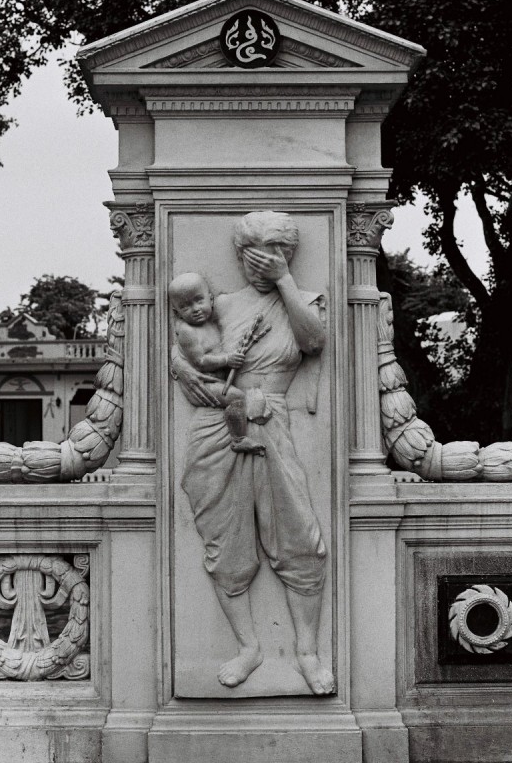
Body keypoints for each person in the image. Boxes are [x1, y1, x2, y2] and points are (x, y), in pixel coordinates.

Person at [172, 211, 333, 695]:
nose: (254, 261)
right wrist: (181, 370)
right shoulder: (220, 305)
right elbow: (185, 342)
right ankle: (248, 647)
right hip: (219, 424)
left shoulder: (304, 303)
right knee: (225, 541)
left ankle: (306, 651)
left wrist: (284, 281)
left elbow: (314, 342)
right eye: (247, 252)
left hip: (272, 423)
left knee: (300, 539)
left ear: (286, 254)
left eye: (268, 252)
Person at [168, 272, 265, 455]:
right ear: (177, 312)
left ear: (210, 299)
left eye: (199, 301)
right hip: (204, 384)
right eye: (185, 306)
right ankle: (238, 439)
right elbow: (200, 362)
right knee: (237, 397)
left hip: (216, 380)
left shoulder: (211, 322)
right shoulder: (187, 331)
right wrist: (227, 360)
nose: (195, 309)